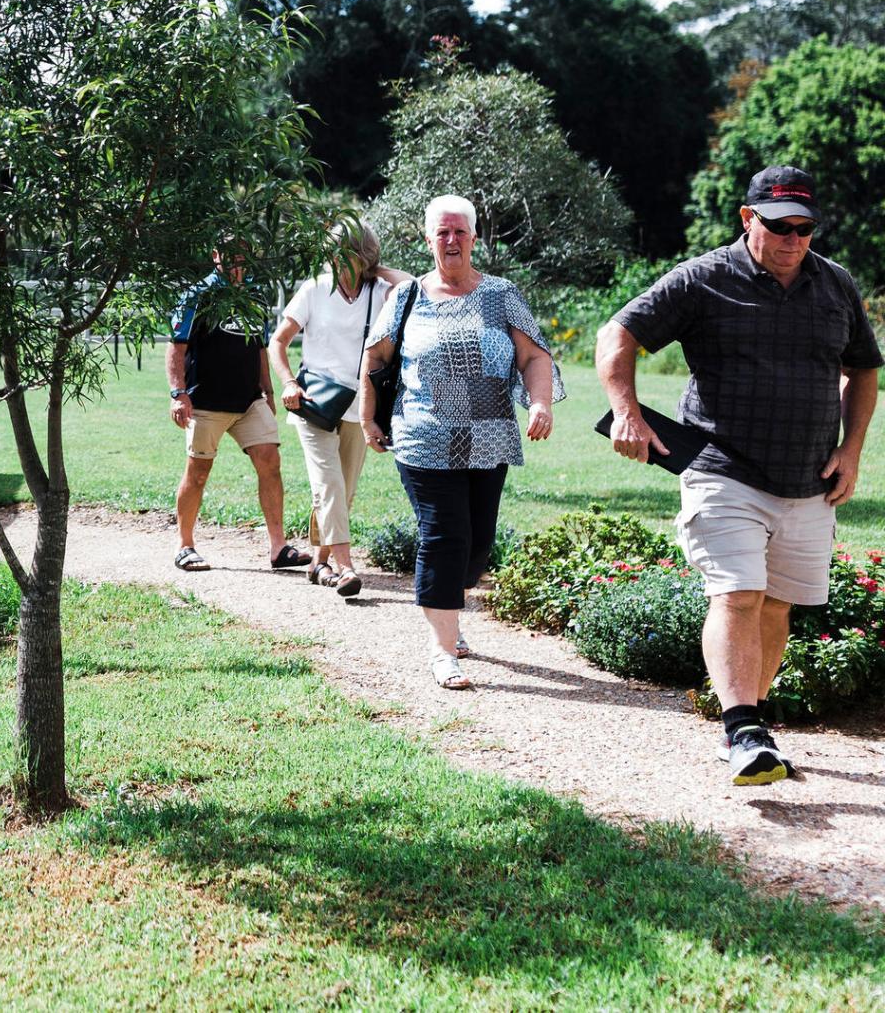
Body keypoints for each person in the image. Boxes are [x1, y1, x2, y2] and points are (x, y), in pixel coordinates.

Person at [597, 165, 878, 787]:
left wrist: (852, 449)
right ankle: (745, 730)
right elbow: (618, 333)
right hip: (722, 469)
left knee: (776, 607)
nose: (794, 239)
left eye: (805, 227)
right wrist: (626, 413)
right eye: (781, 226)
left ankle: (745, 716)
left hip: (808, 478)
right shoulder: (703, 279)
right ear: (749, 219)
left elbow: (863, 371)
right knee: (738, 593)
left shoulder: (835, 285)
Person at [360, 194, 558, 690]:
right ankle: (442, 648)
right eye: (441, 233)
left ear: (474, 239)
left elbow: (534, 357)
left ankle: (450, 609)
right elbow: (377, 359)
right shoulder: (406, 296)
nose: (451, 240)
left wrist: (540, 403)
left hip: (489, 438)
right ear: (428, 240)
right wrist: (368, 419)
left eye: (459, 232)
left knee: (478, 543)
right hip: (423, 435)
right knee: (443, 535)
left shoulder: (501, 294)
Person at [272, 224, 409, 597]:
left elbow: (412, 283)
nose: (332, 258)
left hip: (360, 405)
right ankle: (346, 566)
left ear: (360, 254)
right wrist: (288, 382)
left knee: (342, 493)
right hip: (313, 403)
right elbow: (278, 342)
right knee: (328, 483)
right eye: (331, 251)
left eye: (341, 251)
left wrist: (375, 270)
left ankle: (319, 562)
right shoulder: (315, 288)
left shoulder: (380, 292)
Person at [169, 244, 310, 574]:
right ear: (215, 255)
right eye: (230, 254)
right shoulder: (198, 296)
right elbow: (177, 347)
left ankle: (278, 548)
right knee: (198, 471)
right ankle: (184, 546)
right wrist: (178, 394)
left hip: (249, 401)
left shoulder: (254, 295)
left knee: (270, 462)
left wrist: (268, 389)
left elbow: (260, 344)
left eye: (243, 254)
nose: (237, 262)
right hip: (205, 402)